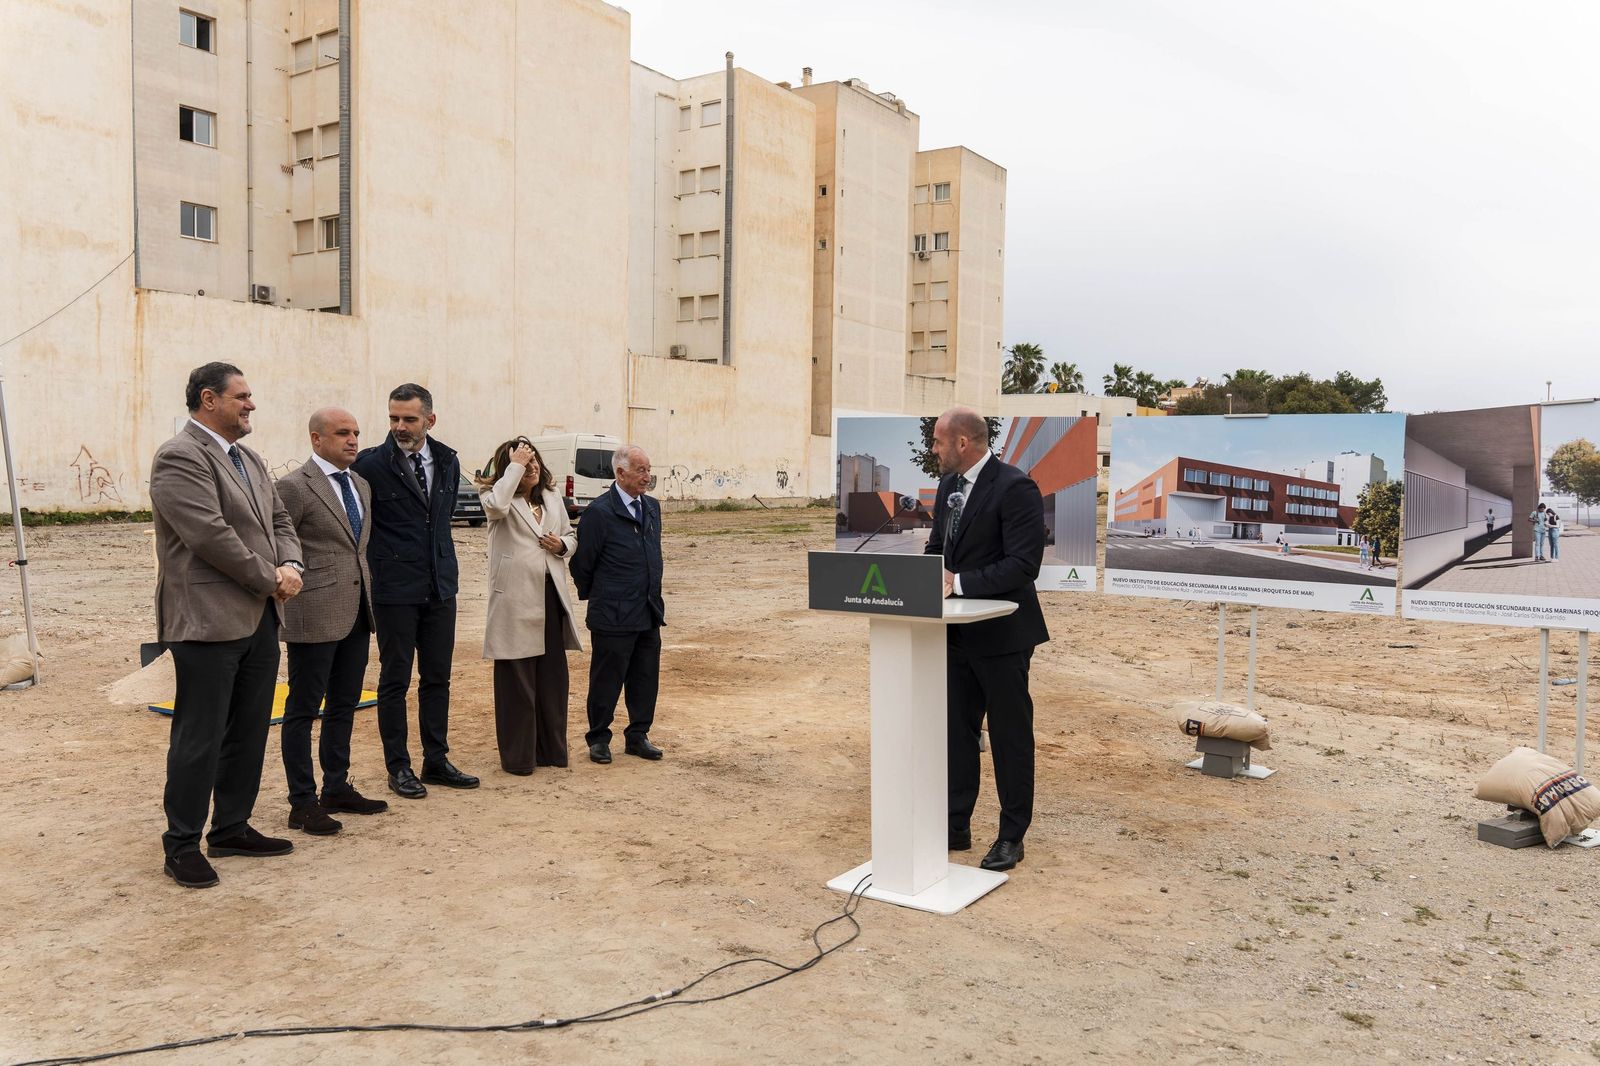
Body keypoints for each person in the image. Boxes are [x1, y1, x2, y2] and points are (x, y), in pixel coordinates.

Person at [148, 362, 304, 889]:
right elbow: (209, 535)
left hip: (259, 616)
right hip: (208, 620)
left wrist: (293, 566)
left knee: (249, 728)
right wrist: (271, 578)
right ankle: (182, 844)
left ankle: (232, 826)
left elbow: (280, 520)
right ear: (209, 399)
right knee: (201, 735)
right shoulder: (179, 456)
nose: (251, 404)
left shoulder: (250, 459)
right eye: (242, 396)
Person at [924, 407, 1048, 873]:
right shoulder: (948, 486)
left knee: (1010, 738)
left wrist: (958, 583)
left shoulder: (1016, 487)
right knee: (957, 734)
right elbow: (938, 547)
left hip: (1003, 634)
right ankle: (956, 825)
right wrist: (924, 574)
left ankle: (1012, 835)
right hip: (954, 635)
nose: (932, 450)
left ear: (962, 443)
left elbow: (1023, 564)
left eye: (938, 442)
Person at [351, 383, 478, 799]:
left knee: (437, 678)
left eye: (408, 419)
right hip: (394, 591)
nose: (400, 427)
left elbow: (440, 523)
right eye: (393, 418)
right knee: (395, 680)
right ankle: (399, 767)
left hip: (441, 587)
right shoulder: (369, 465)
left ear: (430, 419)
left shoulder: (447, 460)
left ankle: (436, 760)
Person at [275, 408, 388, 835]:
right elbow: (279, 542)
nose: (353, 440)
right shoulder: (293, 487)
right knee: (302, 708)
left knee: (345, 703)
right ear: (316, 439)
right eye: (343, 433)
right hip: (313, 613)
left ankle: (336, 786)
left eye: (356, 432)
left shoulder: (360, 484)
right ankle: (301, 802)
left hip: (358, 610)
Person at [477, 438, 582, 774]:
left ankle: (552, 751)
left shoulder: (552, 497)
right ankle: (519, 758)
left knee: (553, 680)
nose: (532, 466)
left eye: (534, 460)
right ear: (508, 468)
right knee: (517, 683)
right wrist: (514, 467)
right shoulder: (495, 497)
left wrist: (562, 544)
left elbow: (571, 534)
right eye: (524, 463)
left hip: (550, 596)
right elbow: (496, 508)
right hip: (514, 600)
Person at [571, 444, 665, 764]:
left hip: (647, 610)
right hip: (612, 613)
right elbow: (582, 564)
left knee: (644, 677)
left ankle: (638, 735)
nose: (647, 476)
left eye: (649, 470)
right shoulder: (599, 512)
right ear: (620, 472)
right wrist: (601, 597)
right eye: (641, 470)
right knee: (606, 679)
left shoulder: (652, 508)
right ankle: (599, 738)